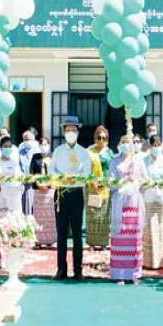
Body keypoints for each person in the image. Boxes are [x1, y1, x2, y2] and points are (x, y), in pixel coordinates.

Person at [51, 117, 92, 280]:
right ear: (63, 132)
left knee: (77, 234)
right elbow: (52, 171)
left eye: (73, 130)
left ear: (78, 132)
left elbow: (87, 173)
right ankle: (61, 269)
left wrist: (74, 178)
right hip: (61, 194)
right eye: (67, 130)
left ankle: (78, 270)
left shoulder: (83, 152)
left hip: (76, 194)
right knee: (61, 233)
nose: (70, 133)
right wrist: (62, 178)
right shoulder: (58, 151)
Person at [108, 134, 146, 283]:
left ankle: (134, 274)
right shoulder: (114, 161)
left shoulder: (138, 160)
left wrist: (135, 183)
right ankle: (119, 274)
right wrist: (122, 182)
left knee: (134, 238)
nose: (125, 145)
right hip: (119, 202)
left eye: (128, 143)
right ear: (119, 145)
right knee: (120, 237)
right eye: (123, 142)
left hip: (134, 203)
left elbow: (145, 180)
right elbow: (110, 182)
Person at [142, 135, 163, 269]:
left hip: (161, 199)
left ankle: (160, 261)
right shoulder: (144, 161)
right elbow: (142, 178)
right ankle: (149, 262)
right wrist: (148, 184)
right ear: (150, 146)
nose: (156, 148)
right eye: (154, 145)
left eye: (158, 145)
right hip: (148, 198)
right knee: (149, 229)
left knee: (160, 229)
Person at [86, 125, 113, 249]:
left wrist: (105, 182)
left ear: (107, 139)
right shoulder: (89, 151)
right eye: (98, 137)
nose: (101, 140)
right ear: (95, 138)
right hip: (92, 187)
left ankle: (103, 242)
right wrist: (93, 182)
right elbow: (85, 168)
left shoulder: (109, 153)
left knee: (103, 215)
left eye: (103, 138)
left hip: (105, 188)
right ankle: (92, 242)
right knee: (92, 214)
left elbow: (112, 168)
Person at [30, 137, 56, 246]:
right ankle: (38, 240)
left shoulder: (53, 157)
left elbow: (55, 173)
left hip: (49, 191)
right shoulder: (35, 157)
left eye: (45, 144)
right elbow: (31, 173)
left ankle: (50, 240)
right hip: (38, 191)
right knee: (38, 217)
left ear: (49, 145)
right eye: (41, 144)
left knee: (50, 217)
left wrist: (48, 185)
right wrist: (38, 184)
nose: (43, 146)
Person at [0, 136, 24, 217]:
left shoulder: (14, 162)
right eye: (5, 146)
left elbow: (20, 178)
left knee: (16, 218)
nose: (7, 148)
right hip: (2, 198)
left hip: (15, 197)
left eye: (9, 146)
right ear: (1, 148)